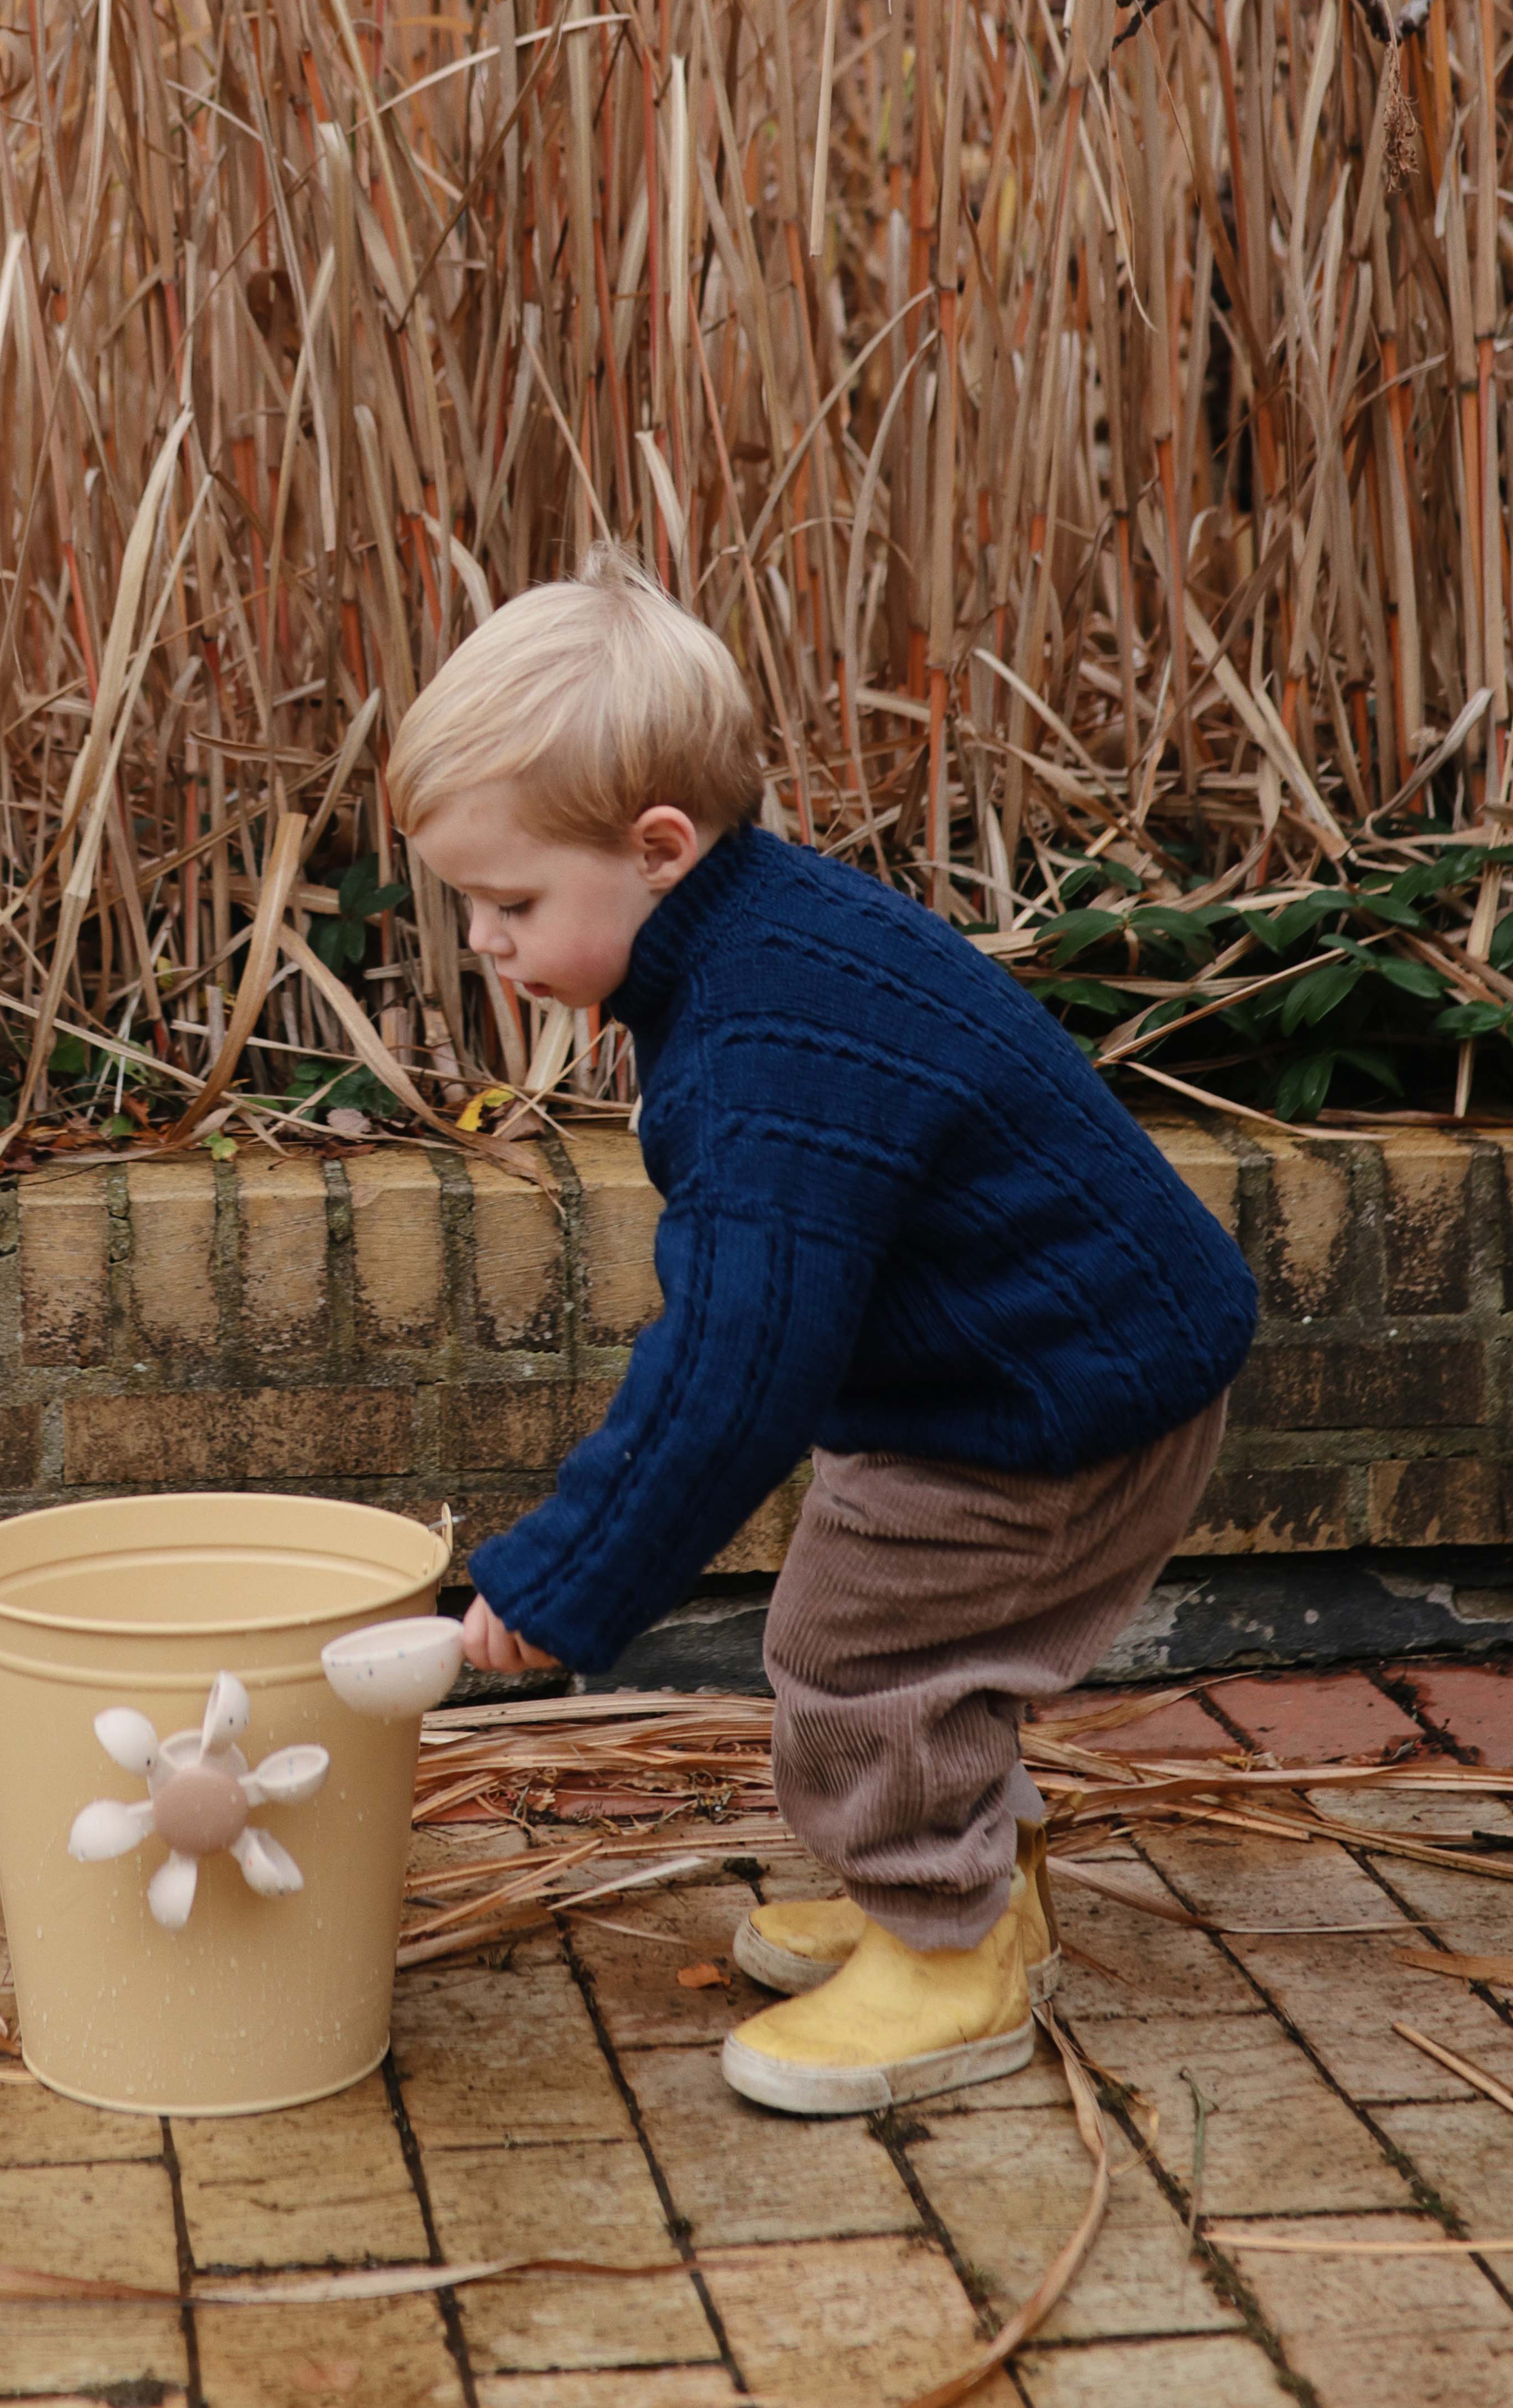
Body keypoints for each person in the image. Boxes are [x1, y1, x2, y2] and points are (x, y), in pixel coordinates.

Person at [384, 546, 1255, 2116]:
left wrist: (562, 1584)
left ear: (656, 846)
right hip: (1015, 1353)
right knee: (888, 1616)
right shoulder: (750, 937)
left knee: (860, 1647)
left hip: (1055, 1388)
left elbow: (735, 1364)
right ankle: (963, 1878)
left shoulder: (760, 1045)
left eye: (511, 900)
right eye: (469, 902)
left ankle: (948, 1950)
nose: (486, 941)